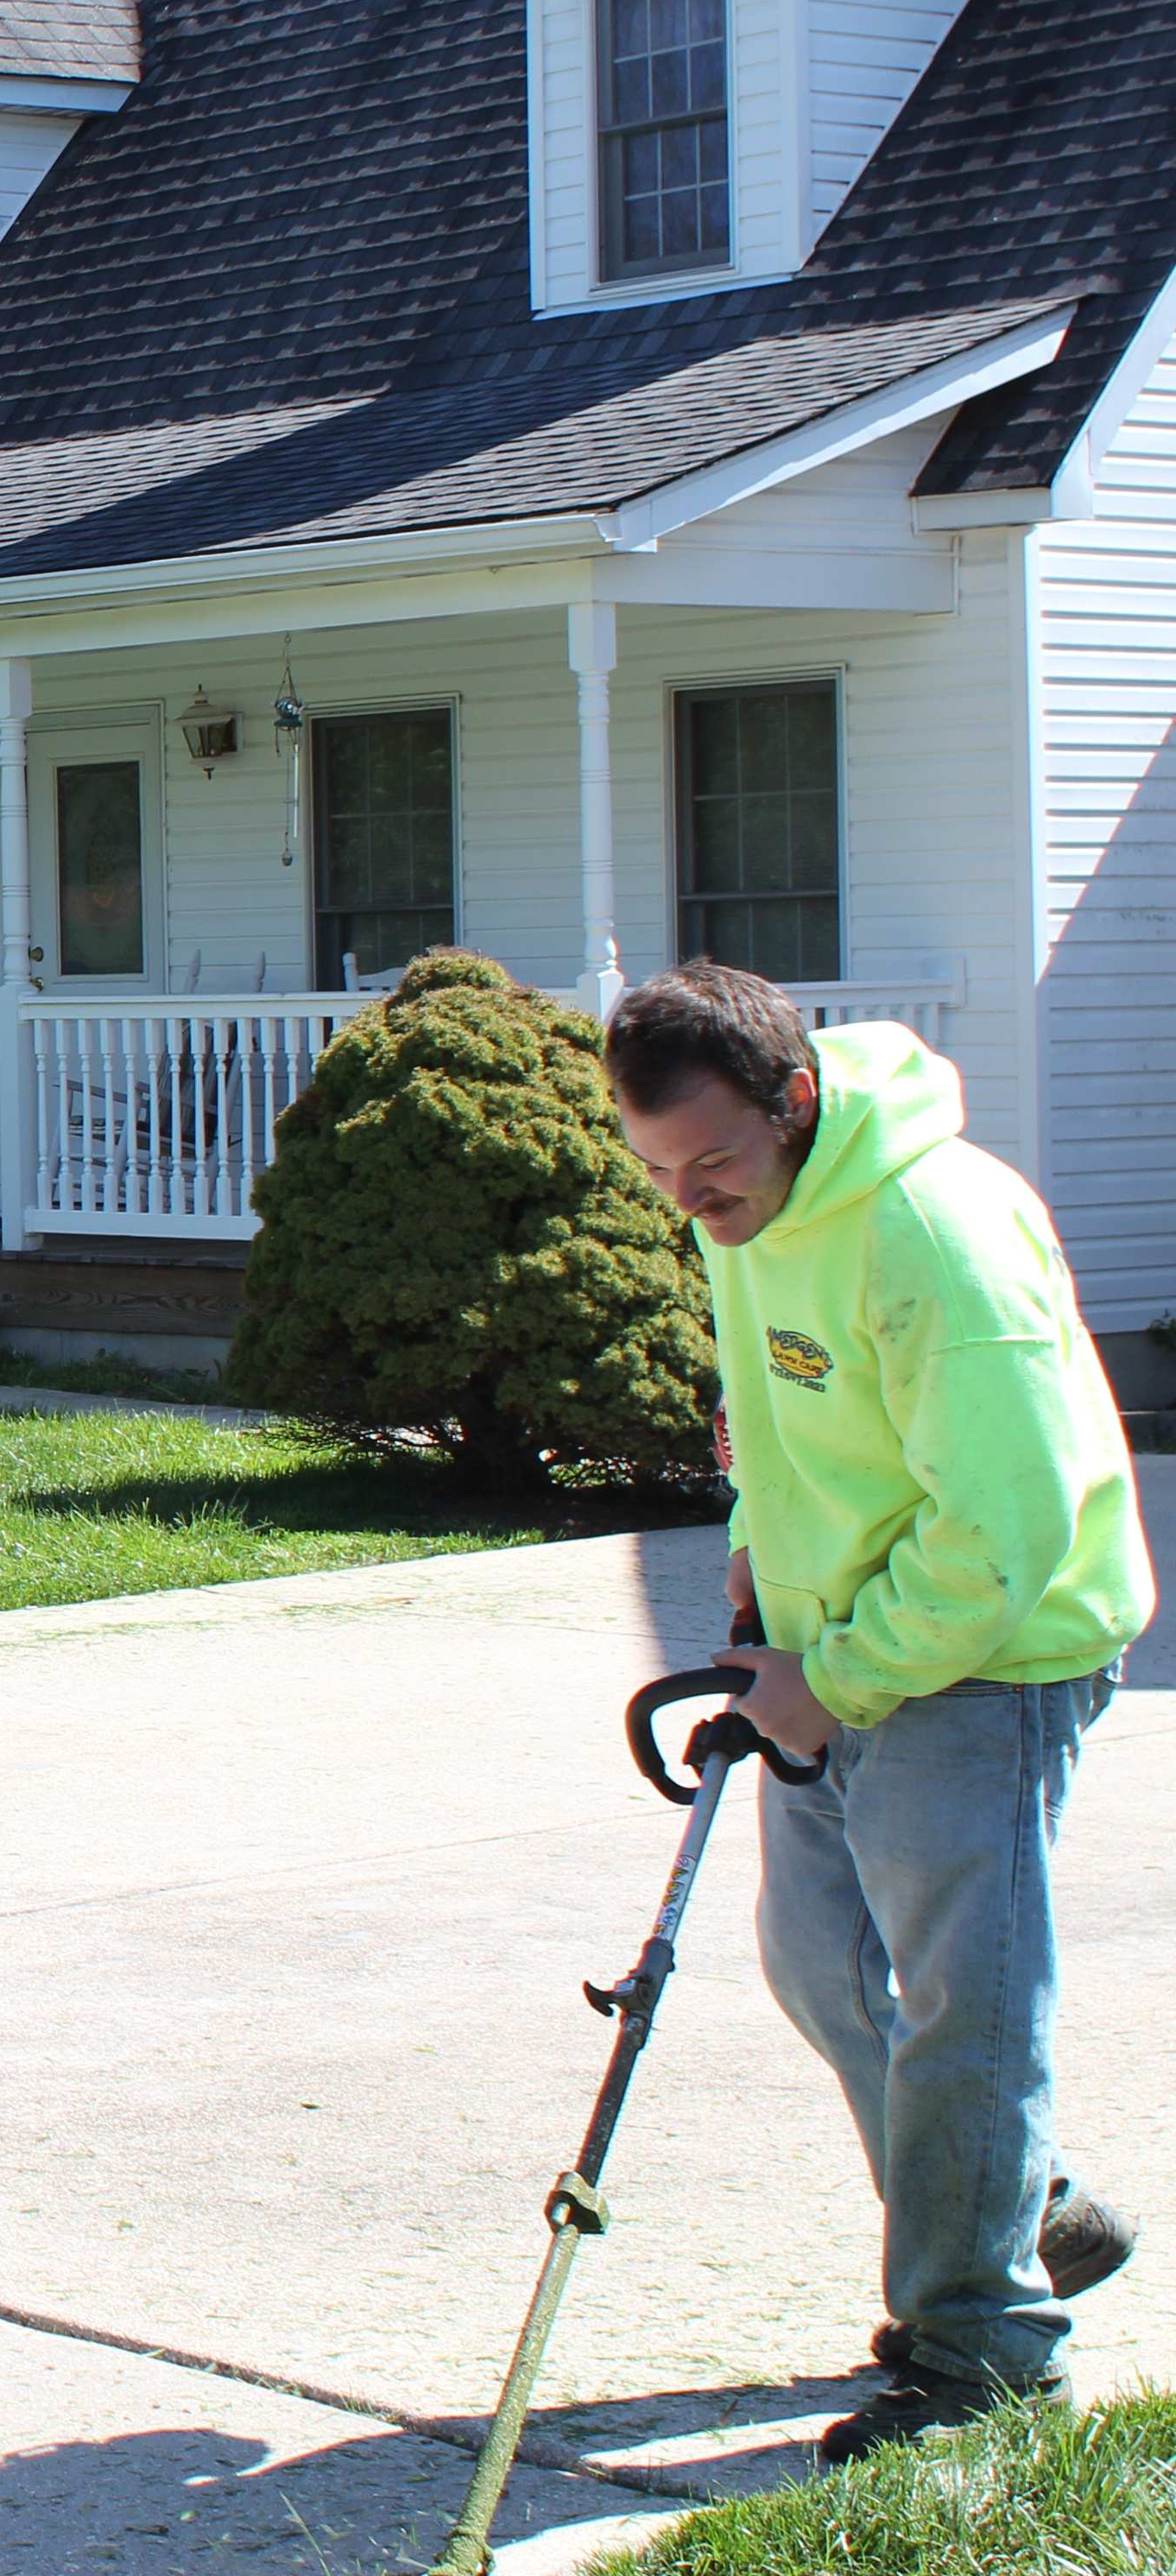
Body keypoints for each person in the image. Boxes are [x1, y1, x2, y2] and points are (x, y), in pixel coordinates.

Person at [604, 961, 1153, 2463]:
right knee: (819, 1965)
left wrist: (827, 1678)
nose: (689, 1201)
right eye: (657, 1172)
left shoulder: (929, 1232)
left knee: (959, 2004)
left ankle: (981, 2351)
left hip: (989, 1654)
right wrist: (755, 1547)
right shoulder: (752, 1208)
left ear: (793, 1100)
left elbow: (1002, 1535)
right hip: (836, 1633)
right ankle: (1011, 2195)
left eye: (710, 1162)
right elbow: (773, 1403)